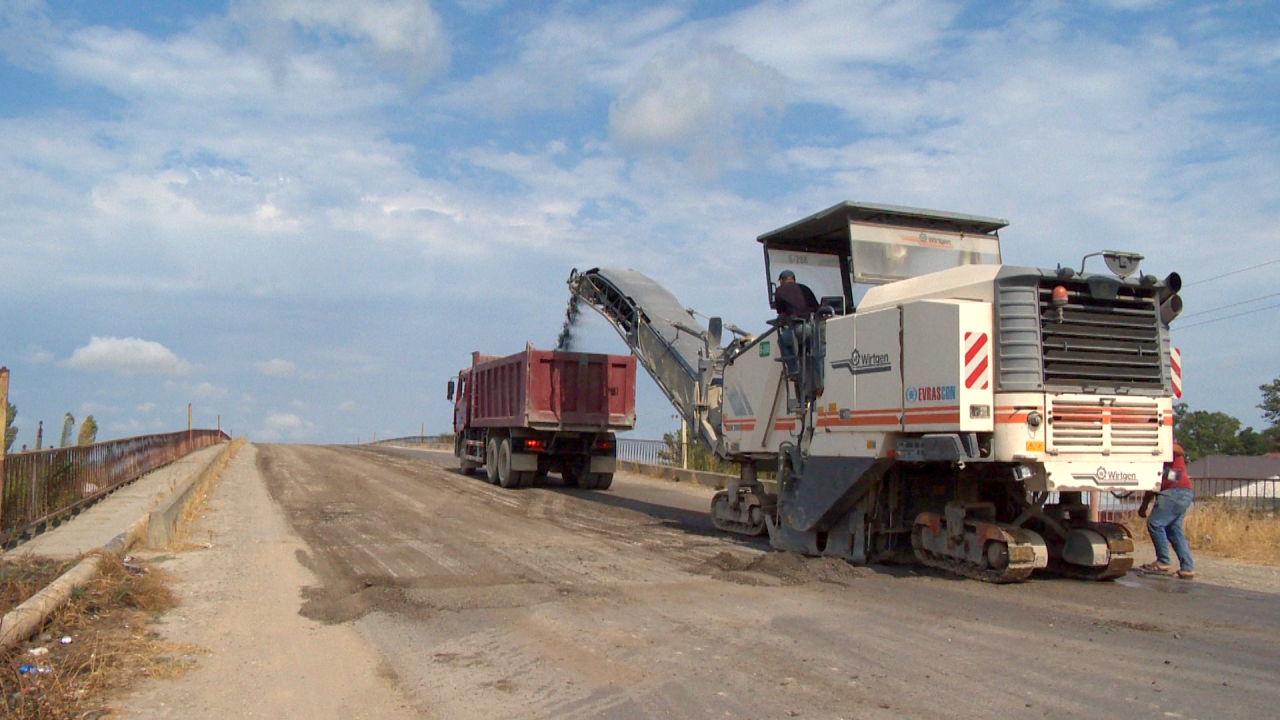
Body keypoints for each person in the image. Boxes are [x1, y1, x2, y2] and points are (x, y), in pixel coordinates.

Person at [1138, 442, 1195, 579]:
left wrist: (1161, 444)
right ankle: (1187, 568)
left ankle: (1163, 561)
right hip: (1184, 492)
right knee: (1174, 530)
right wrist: (1144, 505)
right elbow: (1152, 483)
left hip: (1174, 491)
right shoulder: (1153, 459)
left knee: (1155, 523)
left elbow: (1179, 450)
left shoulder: (1167, 444)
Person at [773, 270, 819, 381]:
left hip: (799, 328)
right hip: (813, 328)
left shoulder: (780, 291)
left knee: (782, 341)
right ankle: (818, 374)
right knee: (813, 350)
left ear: (782, 281)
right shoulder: (805, 289)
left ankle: (794, 370)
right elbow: (817, 308)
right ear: (793, 279)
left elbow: (782, 314)